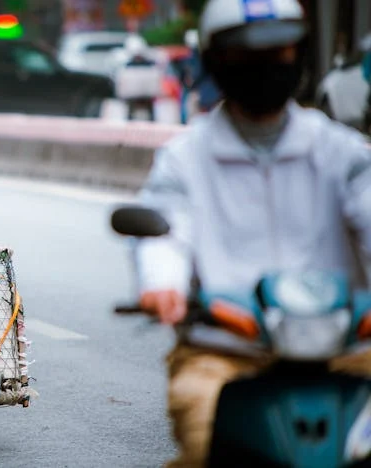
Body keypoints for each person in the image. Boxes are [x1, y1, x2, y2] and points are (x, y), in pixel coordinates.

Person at [133, 0, 371, 466]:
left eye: (279, 53)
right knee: (203, 434)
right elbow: (164, 231)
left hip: (350, 351)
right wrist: (162, 284)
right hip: (227, 354)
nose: (266, 67)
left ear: (299, 55)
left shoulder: (341, 152)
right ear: (216, 61)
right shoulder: (184, 158)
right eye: (247, 56)